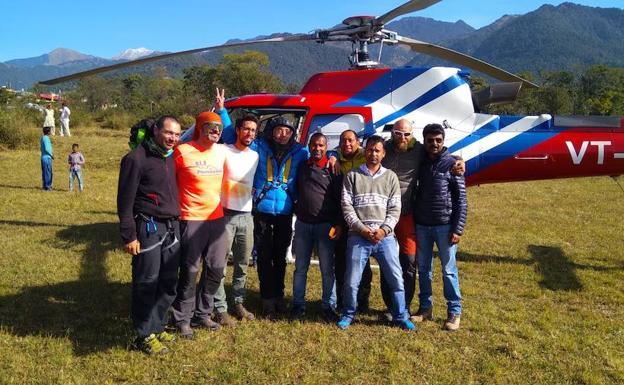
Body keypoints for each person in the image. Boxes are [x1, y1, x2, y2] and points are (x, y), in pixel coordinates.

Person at [380, 118, 465, 322]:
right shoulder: (385, 149)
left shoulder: (423, 152)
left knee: (418, 264)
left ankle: (415, 307)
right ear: (392, 133)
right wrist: (332, 155)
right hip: (392, 217)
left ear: (412, 135)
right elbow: (357, 150)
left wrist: (460, 161)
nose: (402, 137)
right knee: (393, 262)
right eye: (398, 133)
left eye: (407, 134)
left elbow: (440, 154)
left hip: (414, 216)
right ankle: (404, 306)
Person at [117, 115, 182, 355]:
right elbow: (124, 202)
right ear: (156, 131)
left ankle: (158, 325)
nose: (173, 138)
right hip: (148, 228)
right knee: (146, 281)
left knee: (168, 281)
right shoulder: (136, 159)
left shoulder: (170, 157)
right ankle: (143, 334)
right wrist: (129, 236)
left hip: (171, 227)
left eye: (176, 134)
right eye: (169, 133)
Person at [338, 135, 415, 331]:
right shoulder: (352, 176)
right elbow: (347, 207)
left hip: (385, 238)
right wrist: (362, 230)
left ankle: (400, 315)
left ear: (383, 154)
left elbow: (395, 209)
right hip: (358, 236)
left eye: (377, 151)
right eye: (370, 150)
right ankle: (348, 314)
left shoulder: (391, 177)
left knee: (396, 278)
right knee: (352, 280)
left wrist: (383, 230)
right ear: (365, 151)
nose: (373, 154)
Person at [170, 111, 228, 338]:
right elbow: (168, 182)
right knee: (190, 271)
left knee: (216, 269)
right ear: (200, 128)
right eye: (211, 127)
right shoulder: (182, 151)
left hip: (216, 220)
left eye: (219, 128)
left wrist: (222, 110)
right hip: (190, 218)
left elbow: (237, 134)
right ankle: (182, 318)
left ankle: (203, 313)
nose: (216, 131)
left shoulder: (222, 152)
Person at [412, 123, 467, 331]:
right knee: (424, 269)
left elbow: (461, 200)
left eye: (438, 140)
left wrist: (457, 229)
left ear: (443, 141)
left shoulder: (453, 164)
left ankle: (454, 311)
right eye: (430, 140)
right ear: (424, 141)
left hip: (445, 226)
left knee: (449, 271)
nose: (434, 144)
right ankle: (425, 307)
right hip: (422, 225)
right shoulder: (421, 161)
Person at [212, 114, 260, 325]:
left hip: (246, 216)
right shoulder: (223, 150)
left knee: (242, 263)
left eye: (253, 130)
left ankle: (238, 302)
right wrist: (222, 111)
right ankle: (220, 308)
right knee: (219, 264)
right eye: (246, 129)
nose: (249, 133)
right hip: (225, 215)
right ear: (238, 130)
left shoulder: (255, 156)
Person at [290, 132, 342, 321]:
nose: (317, 149)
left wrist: (337, 223)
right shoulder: (303, 166)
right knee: (300, 268)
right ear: (309, 146)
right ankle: (298, 305)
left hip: (325, 226)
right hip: (303, 225)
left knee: (327, 270)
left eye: (321, 145)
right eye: (314, 145)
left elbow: (339, 199)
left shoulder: (333, 169)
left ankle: (329, 306)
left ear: (326, 147)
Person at [333, 130, 372, 312]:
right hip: (342, 214)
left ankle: (363, 301)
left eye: (351, 140)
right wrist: (331, 155)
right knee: (341, 260)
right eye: (343, 141)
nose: (347, 144)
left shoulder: (367, 155)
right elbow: (325, 150)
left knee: (362, 262)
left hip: (363, 214)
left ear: (358, 142)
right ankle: (342, 299)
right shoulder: (336, 156)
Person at [40, 126, 54, 191]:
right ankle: (48, 186)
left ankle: (45, 185)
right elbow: (47, 148)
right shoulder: (46, 138)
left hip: (43, 157)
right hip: (47, 157)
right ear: (48, 132)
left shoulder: (42, 138)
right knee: (48, 172)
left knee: (45, 172)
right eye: (50, 131)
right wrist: (51, 155)